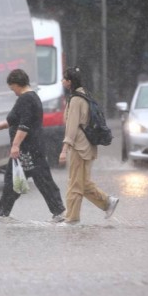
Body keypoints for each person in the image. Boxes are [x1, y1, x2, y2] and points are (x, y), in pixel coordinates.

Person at [0, 69, 66, 222]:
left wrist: (15, 145)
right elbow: (15, 120)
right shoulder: (32, 97)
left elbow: (24, 125)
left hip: (27, 150)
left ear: (18, 84)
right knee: (31, 179)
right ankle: (3, 213)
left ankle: (3, 213)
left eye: (13, 88)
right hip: (32, 148)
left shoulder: (26, 99)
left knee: (36, 180)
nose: (13, 92)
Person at [59, 66, 119, 224]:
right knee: (83, 183)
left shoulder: (76, 99)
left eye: (64, 78)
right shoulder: (85, 95)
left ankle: (71, 219)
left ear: (70, 82)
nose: (62, 81)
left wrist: (64, 150)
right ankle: (107, 202)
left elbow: (71, 127)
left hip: (79, 146)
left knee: (74, 184)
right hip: (89, 146)